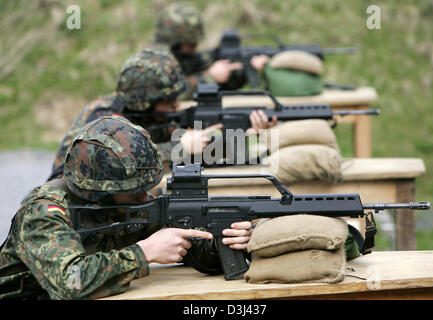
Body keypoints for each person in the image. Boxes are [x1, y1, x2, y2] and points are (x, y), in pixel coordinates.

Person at [0, 116, 253, 299]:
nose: (145, 197)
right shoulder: (44, 212)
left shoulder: (129, 204)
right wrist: (145, 252)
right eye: (133, 192)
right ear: (100, 194)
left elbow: (194, 250)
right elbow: (70, 283)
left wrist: (222, 239)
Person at [48, 48, 275, 180]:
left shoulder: (149, 115)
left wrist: (243, 132)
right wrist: (179, 148)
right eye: (167, 101)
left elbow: (202, 152)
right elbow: (117, 168)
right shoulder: (106, 119)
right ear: (145, 102)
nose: (176, 104)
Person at [152, 2, 269, 98]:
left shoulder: (186, 58)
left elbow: (224, 86)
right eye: (191, 44)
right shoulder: (156, 62)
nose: (195, 47)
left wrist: (243, 70)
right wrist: (210, 77)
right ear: (176, 41)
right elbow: (170, 95)